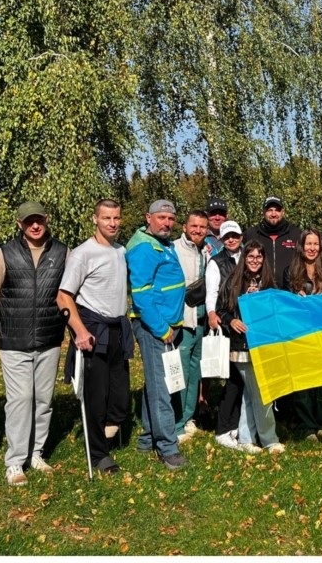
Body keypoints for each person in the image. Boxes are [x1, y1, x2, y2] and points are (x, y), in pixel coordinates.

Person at [0, 201, 68, 486]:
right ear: (19, 224)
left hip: (49, 338)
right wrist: (9, 317)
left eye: (39, 220)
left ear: (46, 219)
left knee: (43, 400)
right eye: (28, 221)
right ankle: (15, 461)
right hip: (13, 340)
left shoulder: (61, 252)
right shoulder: (4, 254)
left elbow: (67, 292)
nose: (35, 225)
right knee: (20, 400)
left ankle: (36, 453)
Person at [57, 199, 132, 475]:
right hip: (92, 330)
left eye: (116, 218)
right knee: (96, 396)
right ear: (95, 219)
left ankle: (108, 434)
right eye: (106, 218)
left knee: (121, 397)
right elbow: (63, 296)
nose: (112, 223)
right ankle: (99, 454)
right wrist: (80, 331)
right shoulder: (82, 254)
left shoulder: (120, 250)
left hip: (117, 329)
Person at [126, 199, 188, 470]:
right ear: (148, 218)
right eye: (161, 217)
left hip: (164, 325)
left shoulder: (161, 243)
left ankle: (148, 437)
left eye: (171, 219)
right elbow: (141, 295)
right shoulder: (143, 247)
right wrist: (162, 329)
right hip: (154, 327)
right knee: (161, 387)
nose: (167, 223)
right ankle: (168, 447)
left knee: (154, 382)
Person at [218, 241, 285, 454]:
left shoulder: (268, 284)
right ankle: (269, 439)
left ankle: (246, 438)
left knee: (251, 392)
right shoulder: (233, 281)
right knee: (261, 392)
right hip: (241, 346)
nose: (254, 260)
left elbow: (276, 311)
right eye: (250, 256)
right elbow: (221, 309)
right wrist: (231, 321)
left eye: (258, 257)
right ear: (244, 258)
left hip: (263, 344)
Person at [284, 228, 322, 442]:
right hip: (300, 333)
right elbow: (283, 303)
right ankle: (307, 426)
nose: (312, 248)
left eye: (315, 244)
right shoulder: (291, 271)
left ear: (320, 246)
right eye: (308, 244)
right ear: (301, 246)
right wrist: (295, 298)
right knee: (303, 380)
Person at [205, 221, 246, 450]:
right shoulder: (216, 262)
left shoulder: (247, 256)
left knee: (242, 379)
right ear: (221, 239)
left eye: (235, 236)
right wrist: (212, 313)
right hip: (227, 322)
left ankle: (235, 424)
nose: (231, 240)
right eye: (227, 237)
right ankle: (223, 428)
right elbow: (211, 292)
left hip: (245, 325)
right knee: (231, 379)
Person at [173, 209, 210, 443]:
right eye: (194, 226)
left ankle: (188, 418)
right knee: (181, 373)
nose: (198, 230)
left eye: (202, 227)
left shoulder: (205, 251)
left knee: (195, 371)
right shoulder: (174, 249)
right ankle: (175, 423)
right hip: (183, 320)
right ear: (185, 227)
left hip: (201, 320)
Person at [244, 196, 301, 289]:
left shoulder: (296, 233)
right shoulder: (251, 234)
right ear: (263, 212)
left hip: (289, 291)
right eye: (270, 210)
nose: (273, 214)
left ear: (283, 212)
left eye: (277, 210)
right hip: (260, 291)